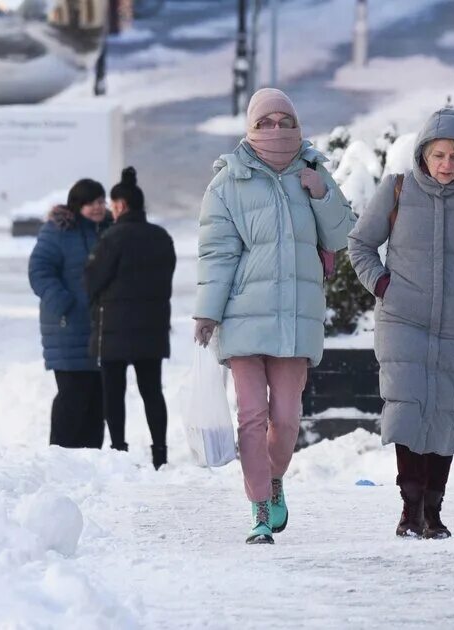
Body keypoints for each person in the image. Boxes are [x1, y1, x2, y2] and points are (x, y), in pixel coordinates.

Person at [347, 108, 454, 539]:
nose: (446, 164)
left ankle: (434, 509)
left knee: (447, 413)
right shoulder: (397, 189)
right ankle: (410, 510)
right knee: (407, 409)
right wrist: (383, 285)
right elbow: (361, 244)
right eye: (439, 154)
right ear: (424, 153)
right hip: (403, 320)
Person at [193, 88, 354, 544]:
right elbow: (216, 252)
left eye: (285, 120)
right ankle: (260, 507)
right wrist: (207, 313)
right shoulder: (229, 181)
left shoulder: (314, 170)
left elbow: (342, 235)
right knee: (251, 415)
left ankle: (274, 476)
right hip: (242, 315)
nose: (276, 129)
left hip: (296, 316)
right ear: (250, 127)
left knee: (285, 419)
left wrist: (321, 194)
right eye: (265, 122)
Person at [84, 167, 177, 470]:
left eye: (112, 205)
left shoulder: (112, 238)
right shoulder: (162, 237)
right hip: (152, 328)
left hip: (115, 330)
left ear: (120, 205)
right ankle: (160, 453)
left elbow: (93, 281)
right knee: (152, 391)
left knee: (115, 392)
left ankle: (119, 449)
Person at [29, 179, 112, 449]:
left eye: (101, 201)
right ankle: (61, 452)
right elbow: (39, 271)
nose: (98, 207)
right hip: (67, 326)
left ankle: (91, 454)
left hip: (101, 327)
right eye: (92, 203)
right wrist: (64, 303)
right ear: (77, 205)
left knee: (97, 395)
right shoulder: (57, 231)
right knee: (73, 392)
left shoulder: (108, 230)